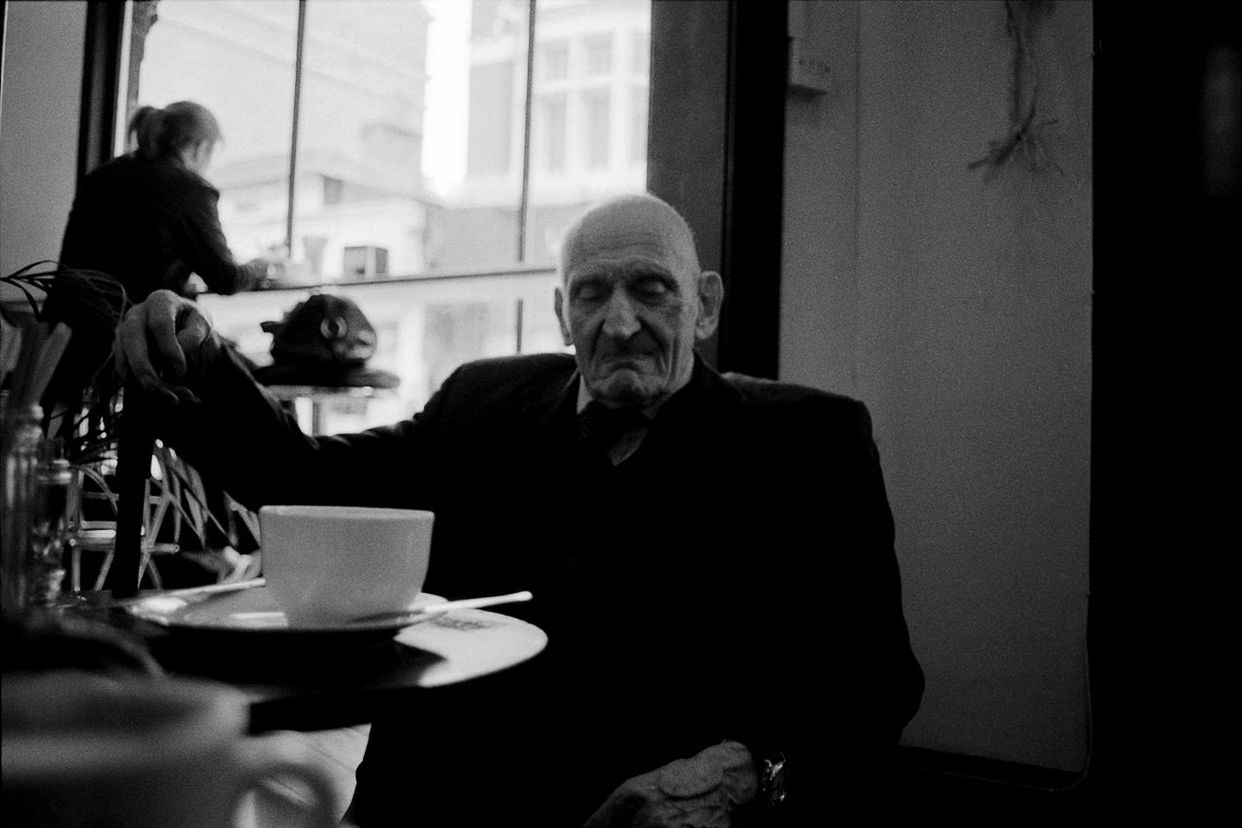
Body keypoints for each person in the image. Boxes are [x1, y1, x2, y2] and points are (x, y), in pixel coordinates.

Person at [115, 193, 924, 825]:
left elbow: (875, 686)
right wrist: (203, 360)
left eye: (652, 290)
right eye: (591, 293)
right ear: (559, 311)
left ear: (705, 304)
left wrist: (748, 772)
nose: (620, 322)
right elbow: (303, 478)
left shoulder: (811, 441)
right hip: (441, 810)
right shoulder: (482, 400)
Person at [44, 101, 272, 412]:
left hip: (65, 337)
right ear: (198, 146)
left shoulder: (102, 176)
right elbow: (225, 277)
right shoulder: (189, 189)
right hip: (139, 342)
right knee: (255, 383)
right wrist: (263, 266)